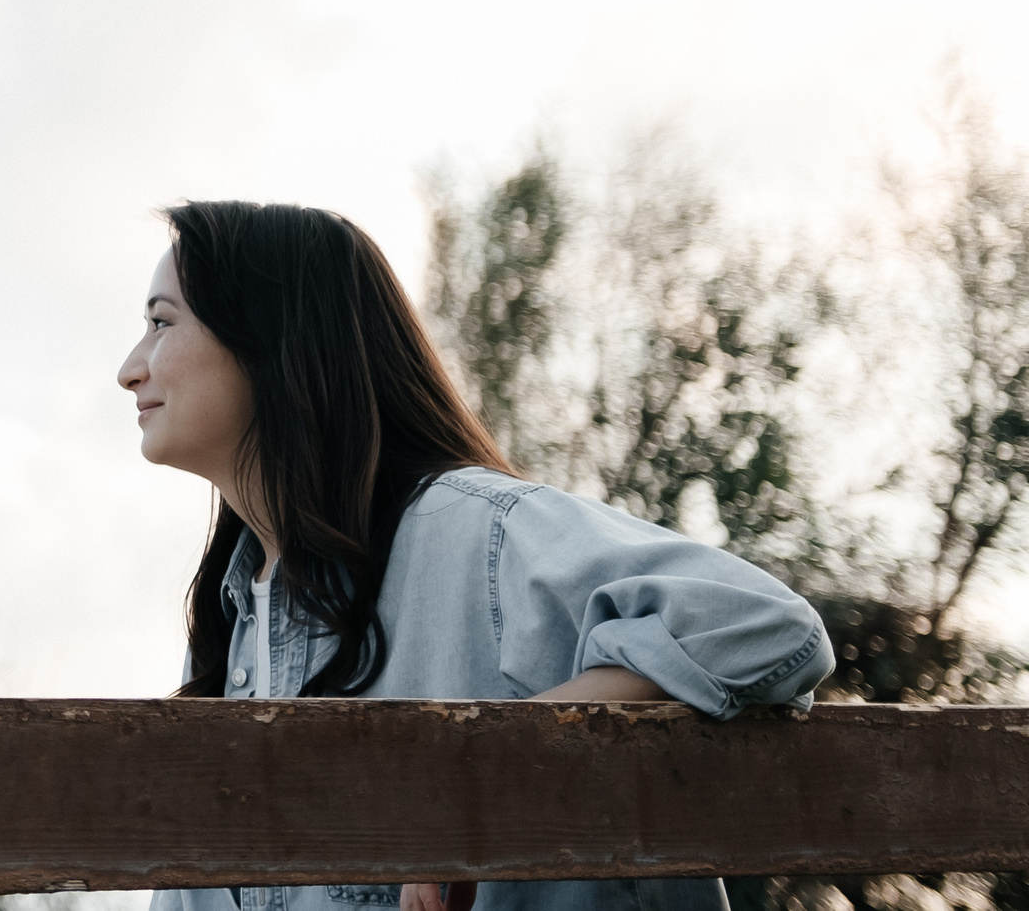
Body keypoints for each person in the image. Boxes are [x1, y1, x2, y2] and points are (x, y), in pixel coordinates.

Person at [117, 199, 832, 911]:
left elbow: (763, 621)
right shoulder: (227, 631)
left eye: (160, 321)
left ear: (270, 335)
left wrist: (479, 778)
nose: (130, 368)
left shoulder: (473, 532)